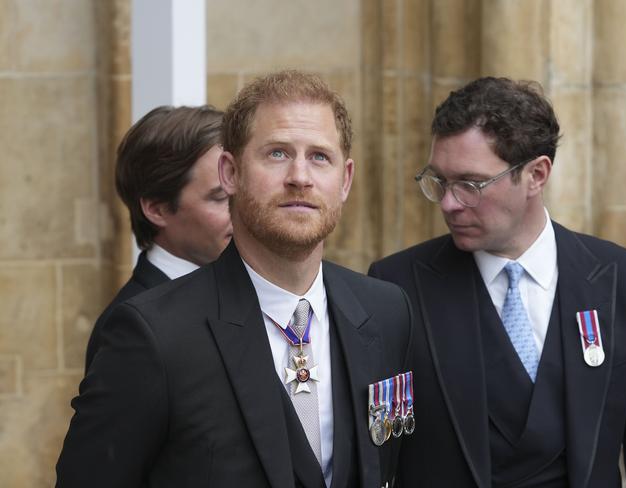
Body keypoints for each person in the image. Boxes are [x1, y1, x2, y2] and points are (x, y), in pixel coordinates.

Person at [57, 70, 412, 488]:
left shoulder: (386, 311)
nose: (300, 176)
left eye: (319, 156)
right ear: (230, 173)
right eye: (277, 153)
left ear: (345, 180)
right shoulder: (154, 335)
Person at [369, 77, 626, 487]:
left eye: (470, 184)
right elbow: (380, 452)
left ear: (537, 174)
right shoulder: (395, 288)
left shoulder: (624, 282)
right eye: (439, 182)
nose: (449, 203)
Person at [84, 105, 232, 371]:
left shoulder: (245, 289)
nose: (243, 212)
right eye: (220, 198)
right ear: (157, 209)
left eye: (242, 191)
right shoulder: (130, 330)